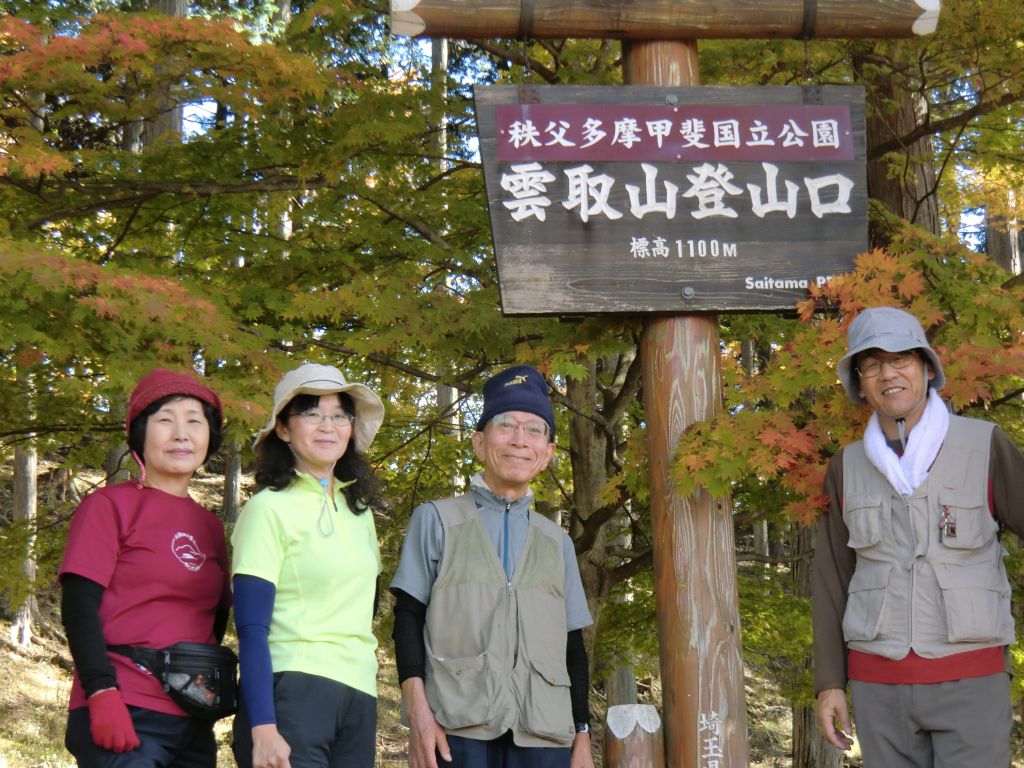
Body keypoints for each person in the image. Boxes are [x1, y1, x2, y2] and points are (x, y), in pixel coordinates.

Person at [813, 306, 1024, 766]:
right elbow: (831, 577)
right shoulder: (844, 468)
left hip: (972, 679)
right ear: (859, 382)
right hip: (877, 684)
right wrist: (830, 682)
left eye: (901, 360)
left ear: (927, 368)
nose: (888, 374)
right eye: (872, 365)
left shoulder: (984, 446)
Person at [390, 365, 596, 768]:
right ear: (479, 443)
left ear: (548, 452)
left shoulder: (558, 542)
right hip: (455, 728)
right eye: (506, 425)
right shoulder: (437, 520)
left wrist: (582, 734)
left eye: (534, 429)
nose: (520, 440)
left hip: (546, 736)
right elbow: (408, 618)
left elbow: (573, 645)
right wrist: (418, 715)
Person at [60, 368, 229, 768]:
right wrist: (101, 692)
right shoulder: (110, 506)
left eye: (194, 420)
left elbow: (214, 619)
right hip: (125, 706)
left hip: (193, 718)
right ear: (141, 433)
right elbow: (79, 607)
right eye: (165, 420)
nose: (181, 433)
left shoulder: (210, 526)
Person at [230, 362, 385, 768]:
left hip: (358, 692)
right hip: (291, 691)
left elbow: (363, 607)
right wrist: (262, 726)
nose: (327, 426)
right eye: (312, 413)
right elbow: (250, 627)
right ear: (283, 429)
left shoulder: (360, 512)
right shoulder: (267, 510)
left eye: (339, 415)